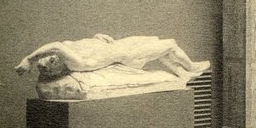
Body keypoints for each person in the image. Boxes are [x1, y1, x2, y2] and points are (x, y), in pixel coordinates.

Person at [15, 35, 210, 82]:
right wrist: (29, 59)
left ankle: (182, 74)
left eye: (48, 57)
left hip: (120, 44)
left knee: (157, 42)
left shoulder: (67, 52)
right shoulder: (76, 63)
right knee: (169, 45)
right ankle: (190, 66)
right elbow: (56, 45)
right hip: (128, 56)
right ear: (56, 67)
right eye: (50, 61)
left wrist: (97, 37)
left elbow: (84, 45)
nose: (52, 56)